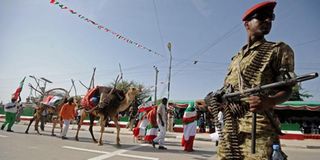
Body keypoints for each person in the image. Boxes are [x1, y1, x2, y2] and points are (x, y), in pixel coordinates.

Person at [216, 1, 294, 159]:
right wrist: (215, 101)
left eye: (271, 17)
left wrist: (270, 101)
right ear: (247, 24)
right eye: (262, 17)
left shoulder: (278, 50)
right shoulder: (236, 58)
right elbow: (227, 90)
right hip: (230, 129)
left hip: (258, 130)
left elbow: (287, 89)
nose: (268, 21)